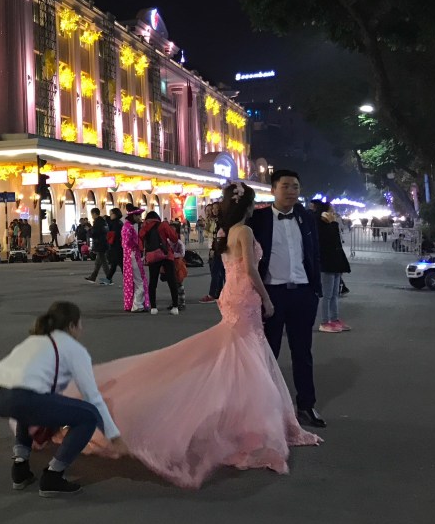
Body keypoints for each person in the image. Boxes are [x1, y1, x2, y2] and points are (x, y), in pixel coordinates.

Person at [78, 182, 321, 488]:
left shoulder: (226, 232)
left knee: (241, 354)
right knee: (249, 354)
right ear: (246, 206)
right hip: (245, 296)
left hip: (231, 296)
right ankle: (248, 422)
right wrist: (267, 298)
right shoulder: (243, 232)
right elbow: (251, 270)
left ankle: (242, 417)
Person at [0, 301, 125, 496]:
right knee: (88, 415)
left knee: (26, 408)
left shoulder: (35, 339)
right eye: (80, 324)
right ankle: (53, 476)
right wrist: (114, 437)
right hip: (19, 397)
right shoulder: (74, 349)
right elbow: (92, 397)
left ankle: (20, 467)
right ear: (71, 326)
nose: (81, 329)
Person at [248, 169, 326, 428]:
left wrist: (315, 289)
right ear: (273, 189)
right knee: (268, 353)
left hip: (303, 293)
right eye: (286, 186)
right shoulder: (258, 219)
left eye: (295, 186)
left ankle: (306, 405)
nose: (292, 191)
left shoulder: (306, 217)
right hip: (272, 295)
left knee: (302, 352)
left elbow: (313, 254)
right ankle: (265, 409)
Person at [310, 200, 351, 334]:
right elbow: (325, 242)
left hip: (335, 262)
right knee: (327, 295)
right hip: (326, 263)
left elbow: (337, 243)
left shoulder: (332, 224)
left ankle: (334, 319)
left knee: (335, 294)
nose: (333, 211)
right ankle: (324, 322)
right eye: (331, 209)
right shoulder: (319, 224)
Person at [140, 211, 181, 315]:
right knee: (172, 280)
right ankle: (175, 307)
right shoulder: (163, 224)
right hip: (165, 254)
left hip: (152, 256)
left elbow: (140, 240)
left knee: (153, 281)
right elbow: (174, 238)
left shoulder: (144, 227)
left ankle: (153, 307)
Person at [121, 205, 148, 312]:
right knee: (140, 281)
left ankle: (135, 304)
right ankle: (137, 305)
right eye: (138, 216)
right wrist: (138, 246)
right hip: (133, 256)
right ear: (134, 216)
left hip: (129, 256)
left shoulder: (128, 226)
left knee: (135, 281)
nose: (140, 218)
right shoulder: (129, 228)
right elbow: (128, 243)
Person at [84, 208, 109, 283]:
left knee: (103, 262)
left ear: (94, 213)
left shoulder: (97, 222)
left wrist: (89, 230)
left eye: (92, 214)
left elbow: (94, 234)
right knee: (98, 263)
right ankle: (93, 277)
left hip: (100, 244)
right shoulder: (103, 222)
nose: (91, 216)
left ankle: (109, 278)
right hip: (103, 243)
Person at [100, 207, 123, 285]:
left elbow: (115, 234)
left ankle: (128, 279)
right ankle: (108, 279)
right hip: (115, 246)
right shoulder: (116, 222)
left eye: (111, 214)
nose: (110, 215)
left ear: (115, 214)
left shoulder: (117, 223)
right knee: (114, 264)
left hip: (117, 246)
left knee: (120, 263)